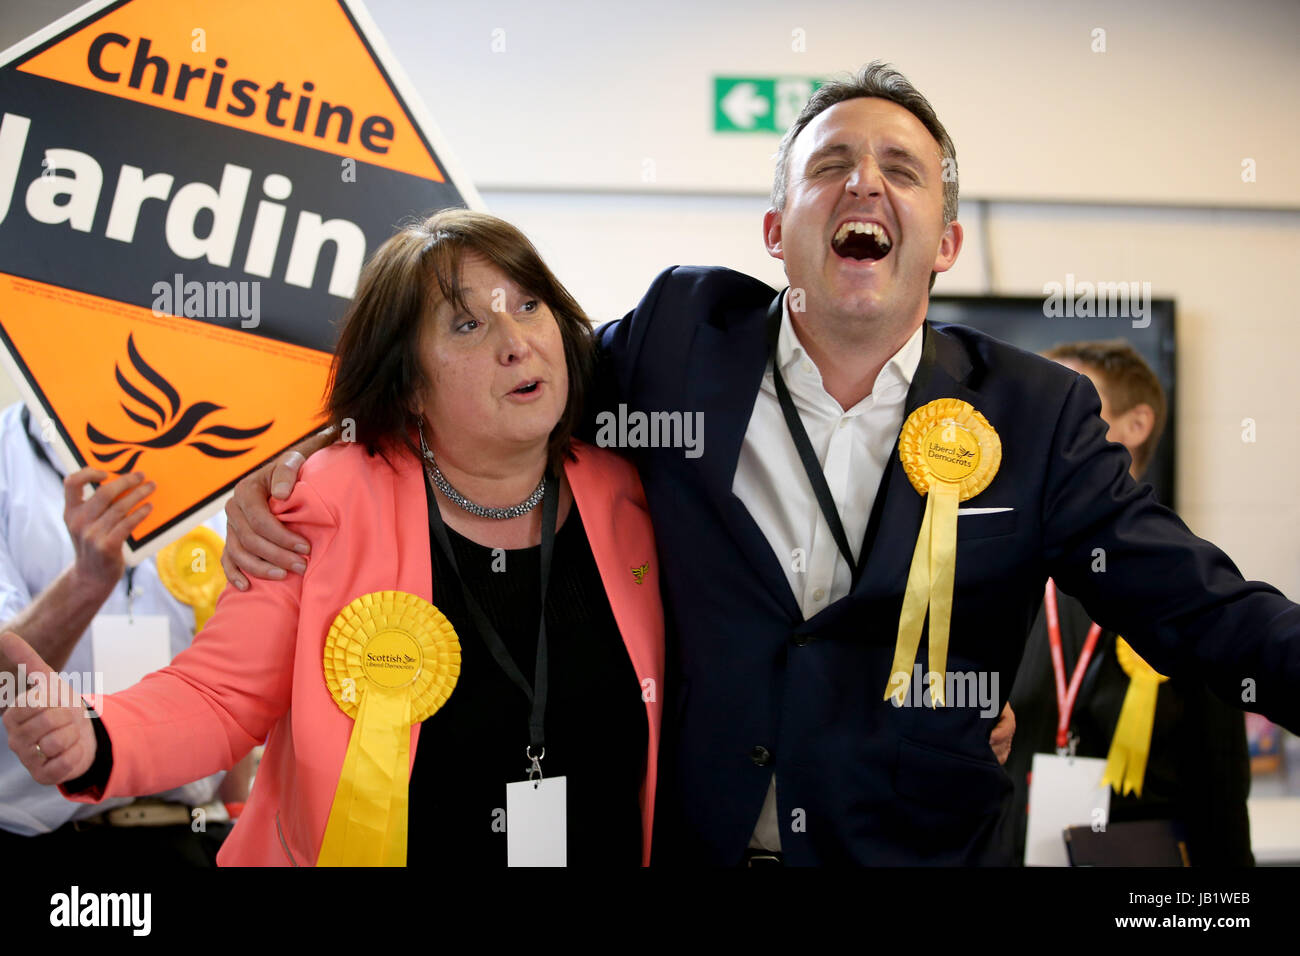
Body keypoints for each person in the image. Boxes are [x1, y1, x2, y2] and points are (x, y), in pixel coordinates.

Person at [220, 62, 1300, 866]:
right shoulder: (682, 333)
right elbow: (492, 400)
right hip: (685, 851)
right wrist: (305, 457)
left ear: (948, 242)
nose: (863, 184)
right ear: (778, 228)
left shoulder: (1035, 411)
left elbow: (1199, 607)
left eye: (901, 171)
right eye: (830, 165)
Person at [2, 209, 664, 867]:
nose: (517, 340)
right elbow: (220, 697)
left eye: (528, 304)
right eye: (467, 324)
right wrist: (95, 734)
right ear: (408, 385)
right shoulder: (326, 500)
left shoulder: (632, 493)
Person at [999, 340, 1253, 865]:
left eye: (1065, 406)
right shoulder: (1001, 573)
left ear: (1136, 425)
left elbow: (1220, 795)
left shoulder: (1187, 588)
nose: (1038, 426)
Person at [0, 401, 244, 865]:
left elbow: (230, 676)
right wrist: (86, 583)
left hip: (197, 835)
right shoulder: (8, 455)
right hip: (45, 837)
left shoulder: (211, 457)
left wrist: (237, 811)